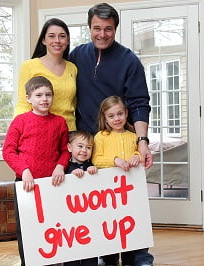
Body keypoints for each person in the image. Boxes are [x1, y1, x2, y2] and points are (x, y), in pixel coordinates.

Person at [69, 2, 152, 169]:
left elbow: (139, 104)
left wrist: (142, 142)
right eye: (97, 28)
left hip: (119, 148)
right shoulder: (77, 55)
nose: (102, 34)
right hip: (84, 146)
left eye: (108, 29)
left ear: (115, 29)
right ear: (89, 28)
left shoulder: (129, 61)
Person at [2, 76, 70, 266]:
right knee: (27, 227)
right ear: (28, 98)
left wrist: (60, 166)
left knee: (53, 225)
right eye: (38, 95)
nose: (44, 99)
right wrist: (23, 170)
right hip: (26, 185)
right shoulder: (20, 121)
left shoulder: (59, 122)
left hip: (53, 185)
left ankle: (54, 260)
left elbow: (65, 150)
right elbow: (8, 151)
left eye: (48, 95)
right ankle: (29, 262)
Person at [92, 96, 154, 266]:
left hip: (131, 194)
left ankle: (133, 260)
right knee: (111, 227)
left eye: (120, 114)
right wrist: (116, 160)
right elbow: (97, 159)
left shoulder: (133, 136)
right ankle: (108, 259)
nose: (116, 119)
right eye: (111, 116)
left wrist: (136, 156)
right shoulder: (100, 137)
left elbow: (139, 153)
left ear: (126, 113)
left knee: (132, 226)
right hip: (109, 195)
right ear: (104, 118)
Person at [15, 18, 77, 131]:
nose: (57, 40)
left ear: (67, 41)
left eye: (62, 36)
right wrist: (17, 131)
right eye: (51, 36)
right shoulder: (29, 66)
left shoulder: (72, 68)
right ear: (43, 40)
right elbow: (23, 104)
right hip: (39, 130)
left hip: (69, 132)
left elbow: (74, 103)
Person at [63, 130, 98, 266]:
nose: (84, 150)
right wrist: (70, 175)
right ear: (70, 147)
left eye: (88, 148)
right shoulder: (65, 167)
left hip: (88, 216)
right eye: (80, 146)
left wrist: (94, 171)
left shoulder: (90, 166)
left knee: (90, 248)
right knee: (71, 248)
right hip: (70, 217)